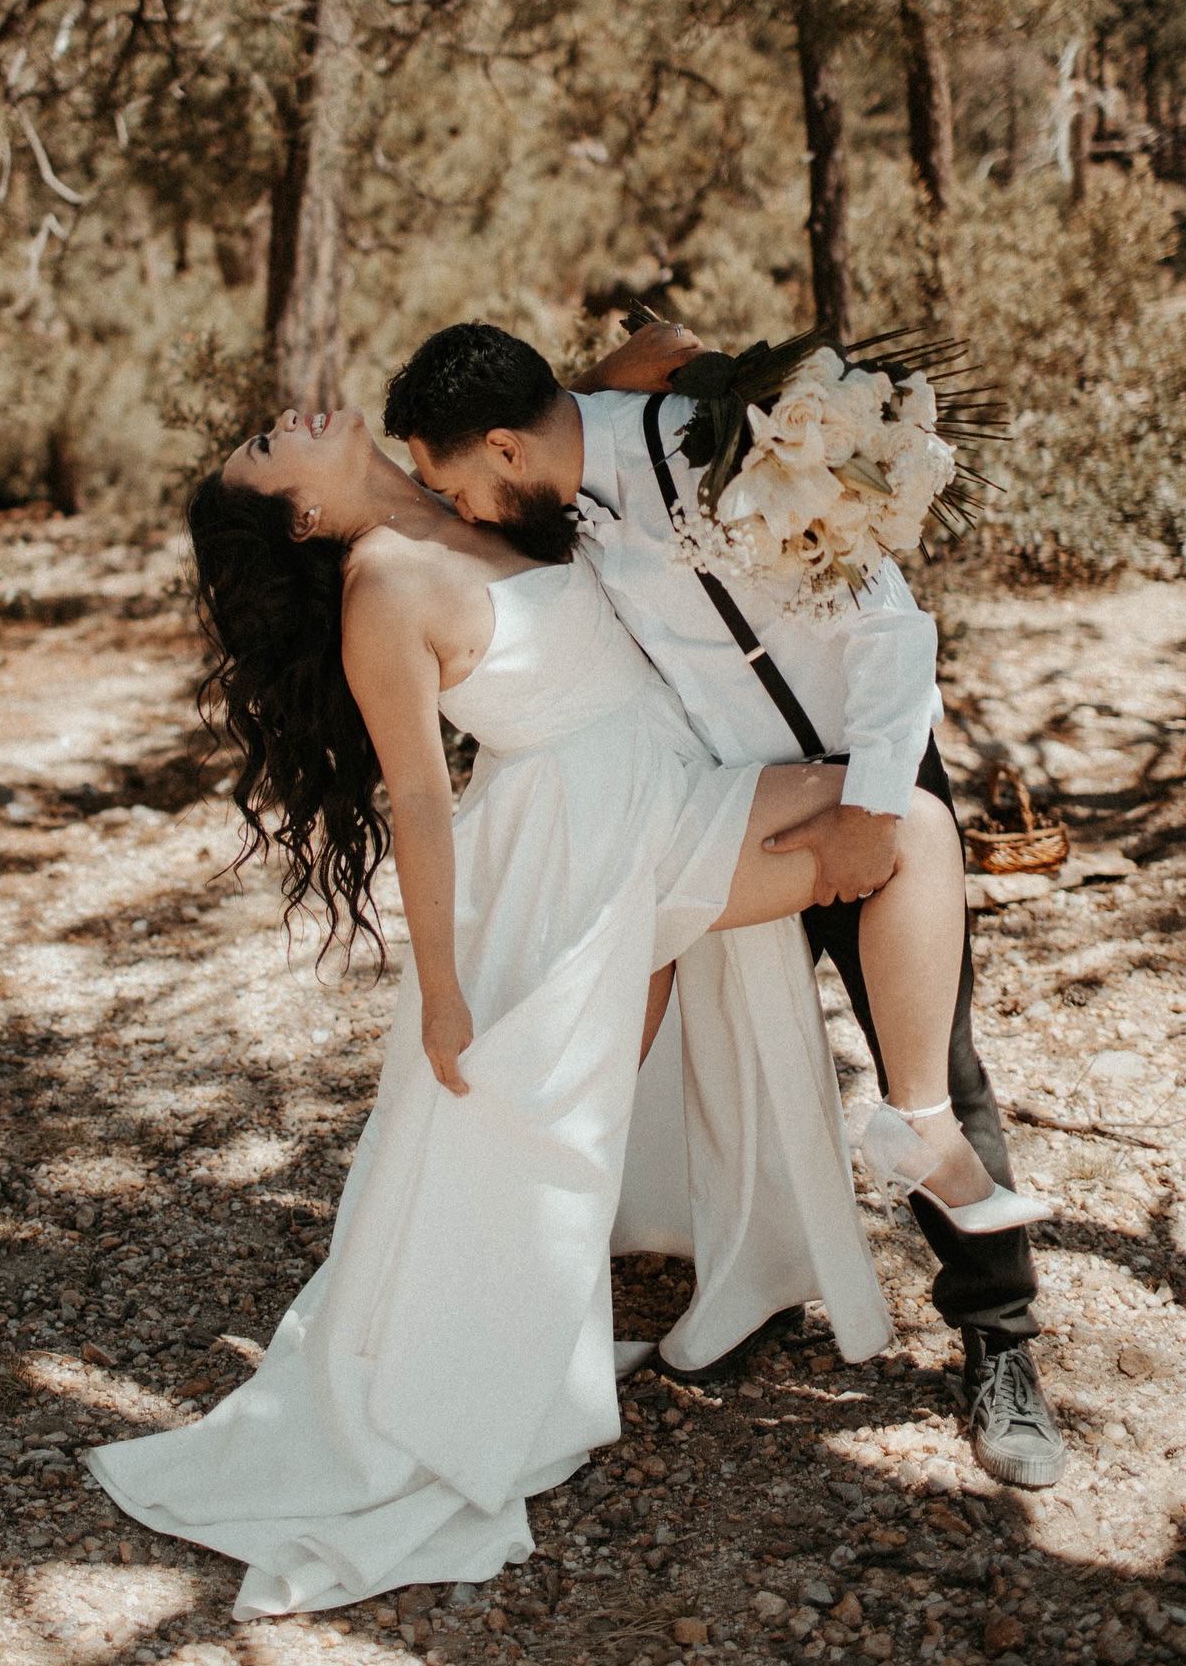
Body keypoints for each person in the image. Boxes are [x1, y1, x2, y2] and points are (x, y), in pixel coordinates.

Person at [84, 405, 1044, 1615]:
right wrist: (441, 996)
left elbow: (593, 402)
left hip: (674, 794)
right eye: (267, 455)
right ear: (306, 518)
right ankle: (473, 1375)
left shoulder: (477, 480)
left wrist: (797, 403)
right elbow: (423, 812)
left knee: (905, 816)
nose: (283, 422)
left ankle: (918, 1123)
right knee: (522, 1139)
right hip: (575, 860)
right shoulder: (383, 581)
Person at [382, 319, 1067, 1490]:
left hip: (867, 777)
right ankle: (753, 1283)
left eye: (458, 484)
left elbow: (894, 632)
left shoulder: (727, 447)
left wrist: (875, 808)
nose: (465, 510)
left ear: (502, 448)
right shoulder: (556, 497)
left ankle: (1000, 1348)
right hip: (721, 802)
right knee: (737, 1060)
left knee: (937, 1067)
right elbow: (592, 397)